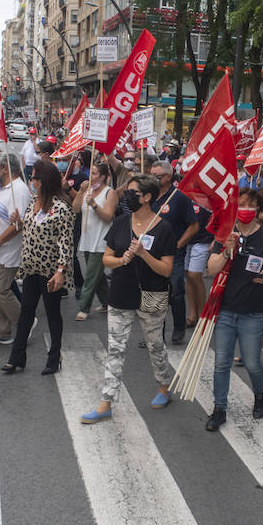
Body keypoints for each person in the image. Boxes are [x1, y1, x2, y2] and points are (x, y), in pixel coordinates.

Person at [80, 173, 176, 423]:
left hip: (152, 295)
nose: (128, 197)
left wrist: (143, 254)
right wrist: (122, 260)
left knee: (155, 346)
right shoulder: (121, 223)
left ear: (147, 197)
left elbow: (166, 270)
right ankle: (106, 402)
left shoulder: (164, 228)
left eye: (133, 193)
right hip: (121, 292)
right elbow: (106, 258)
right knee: (115, 349)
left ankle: (164, 385)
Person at [204, 188, 263, 432]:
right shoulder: (224, 234)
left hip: (254, 312)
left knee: (252, 363)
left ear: (258, 209)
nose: (245, 209)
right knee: (221, 363)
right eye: (241, 204)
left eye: (250, 205)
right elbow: (211, 268)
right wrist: (227, 251)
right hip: (226, 310)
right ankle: (219, 409)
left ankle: (260, 393)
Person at [2, 161, 75, 375]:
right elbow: (31, 229)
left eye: (34, 178)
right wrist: (19, 222)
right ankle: (16, 357)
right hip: (31, 268)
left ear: (43, 181)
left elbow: (65, 242)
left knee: (53, 314)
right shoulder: (33, 200)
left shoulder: (62, 208)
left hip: (51, 272)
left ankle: (54, 357)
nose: (31, 182)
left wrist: (60, 272)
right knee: (26, 312)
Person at [0, 153, 33, 345]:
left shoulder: (18, 191)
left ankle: (26, 321)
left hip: (5, 251)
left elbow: (18, 225)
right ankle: (1, 332)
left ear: (5, 168)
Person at [150, 161, 199, 343]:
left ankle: (179, 327)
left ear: (168, 177)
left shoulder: (179, 198)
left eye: (157, 176)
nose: (153, 179)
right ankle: (155, 332)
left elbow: (193, 226)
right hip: (151, 252)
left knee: (176, 290)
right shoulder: (149, 195)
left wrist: (179, 244)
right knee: (154, 292)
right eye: (151, 175)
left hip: (173, 254)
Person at [73, 158, 116, 321]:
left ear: (103, 177)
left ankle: (84, 307)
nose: (90, 176)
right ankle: (108, 302)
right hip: (87, 240)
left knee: (91, 275)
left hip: (101, 241)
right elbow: (75, 209)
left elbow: (108, 216)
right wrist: (80, 192)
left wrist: (94, 205)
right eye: (90, 173)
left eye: (94, 173)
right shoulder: (87, 190)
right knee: (98, 275)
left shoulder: (109, 193)